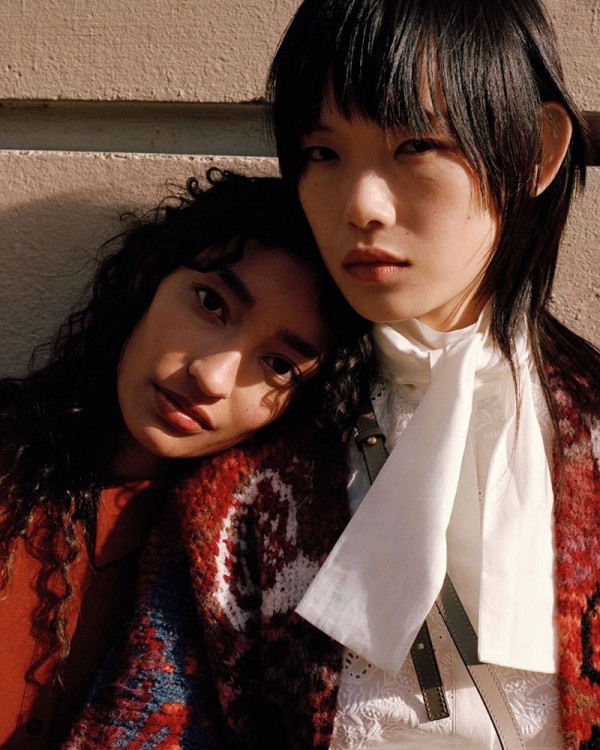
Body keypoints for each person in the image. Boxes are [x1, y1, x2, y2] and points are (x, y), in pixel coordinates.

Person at [85, 1, 599, 748]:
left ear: (536, 152)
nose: (360, 205)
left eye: (415, 145)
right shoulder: (242, 485)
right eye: (322, 154)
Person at [0, 168, 371, 750]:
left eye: (278, 365)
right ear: (148, 276)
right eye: (211, 303)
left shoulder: (257, 581)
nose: (211, 377)